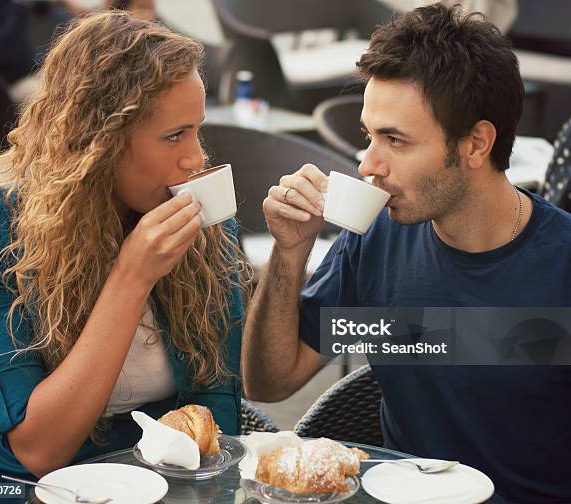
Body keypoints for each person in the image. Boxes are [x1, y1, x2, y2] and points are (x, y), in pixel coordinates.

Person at [242, 4, 571, 503]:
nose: (368, 164)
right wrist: (291, 254)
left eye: (395, 140)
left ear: (476, 144)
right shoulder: (376, 239)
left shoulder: (561, 267)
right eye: (368, 136)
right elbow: (270, 381)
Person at [0, 11, 248, 487]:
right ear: (100, 144)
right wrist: (131, 279)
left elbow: (215, 408)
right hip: (42, 489)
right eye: (175, 135)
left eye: (198, 129)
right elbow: (38, 451)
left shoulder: (201, 219)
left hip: (176, 484)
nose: (196, 158)